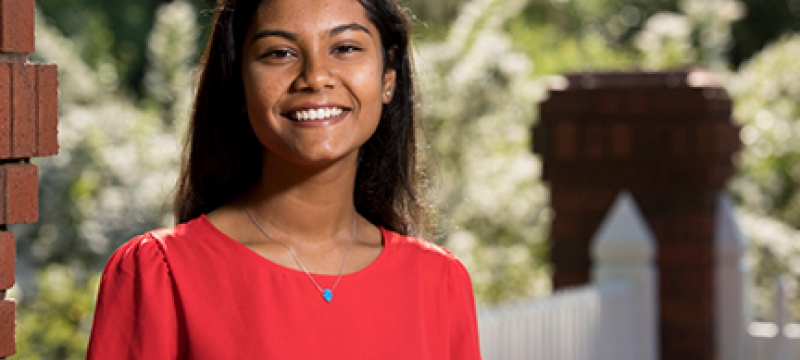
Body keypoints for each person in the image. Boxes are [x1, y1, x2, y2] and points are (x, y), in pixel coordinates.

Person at [87, 0, 482, 358]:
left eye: (345, 48)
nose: (316, 77)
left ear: (388, 79)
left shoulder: (439, 283)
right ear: (239, 83)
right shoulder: (160, 274)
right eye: (280, 53)